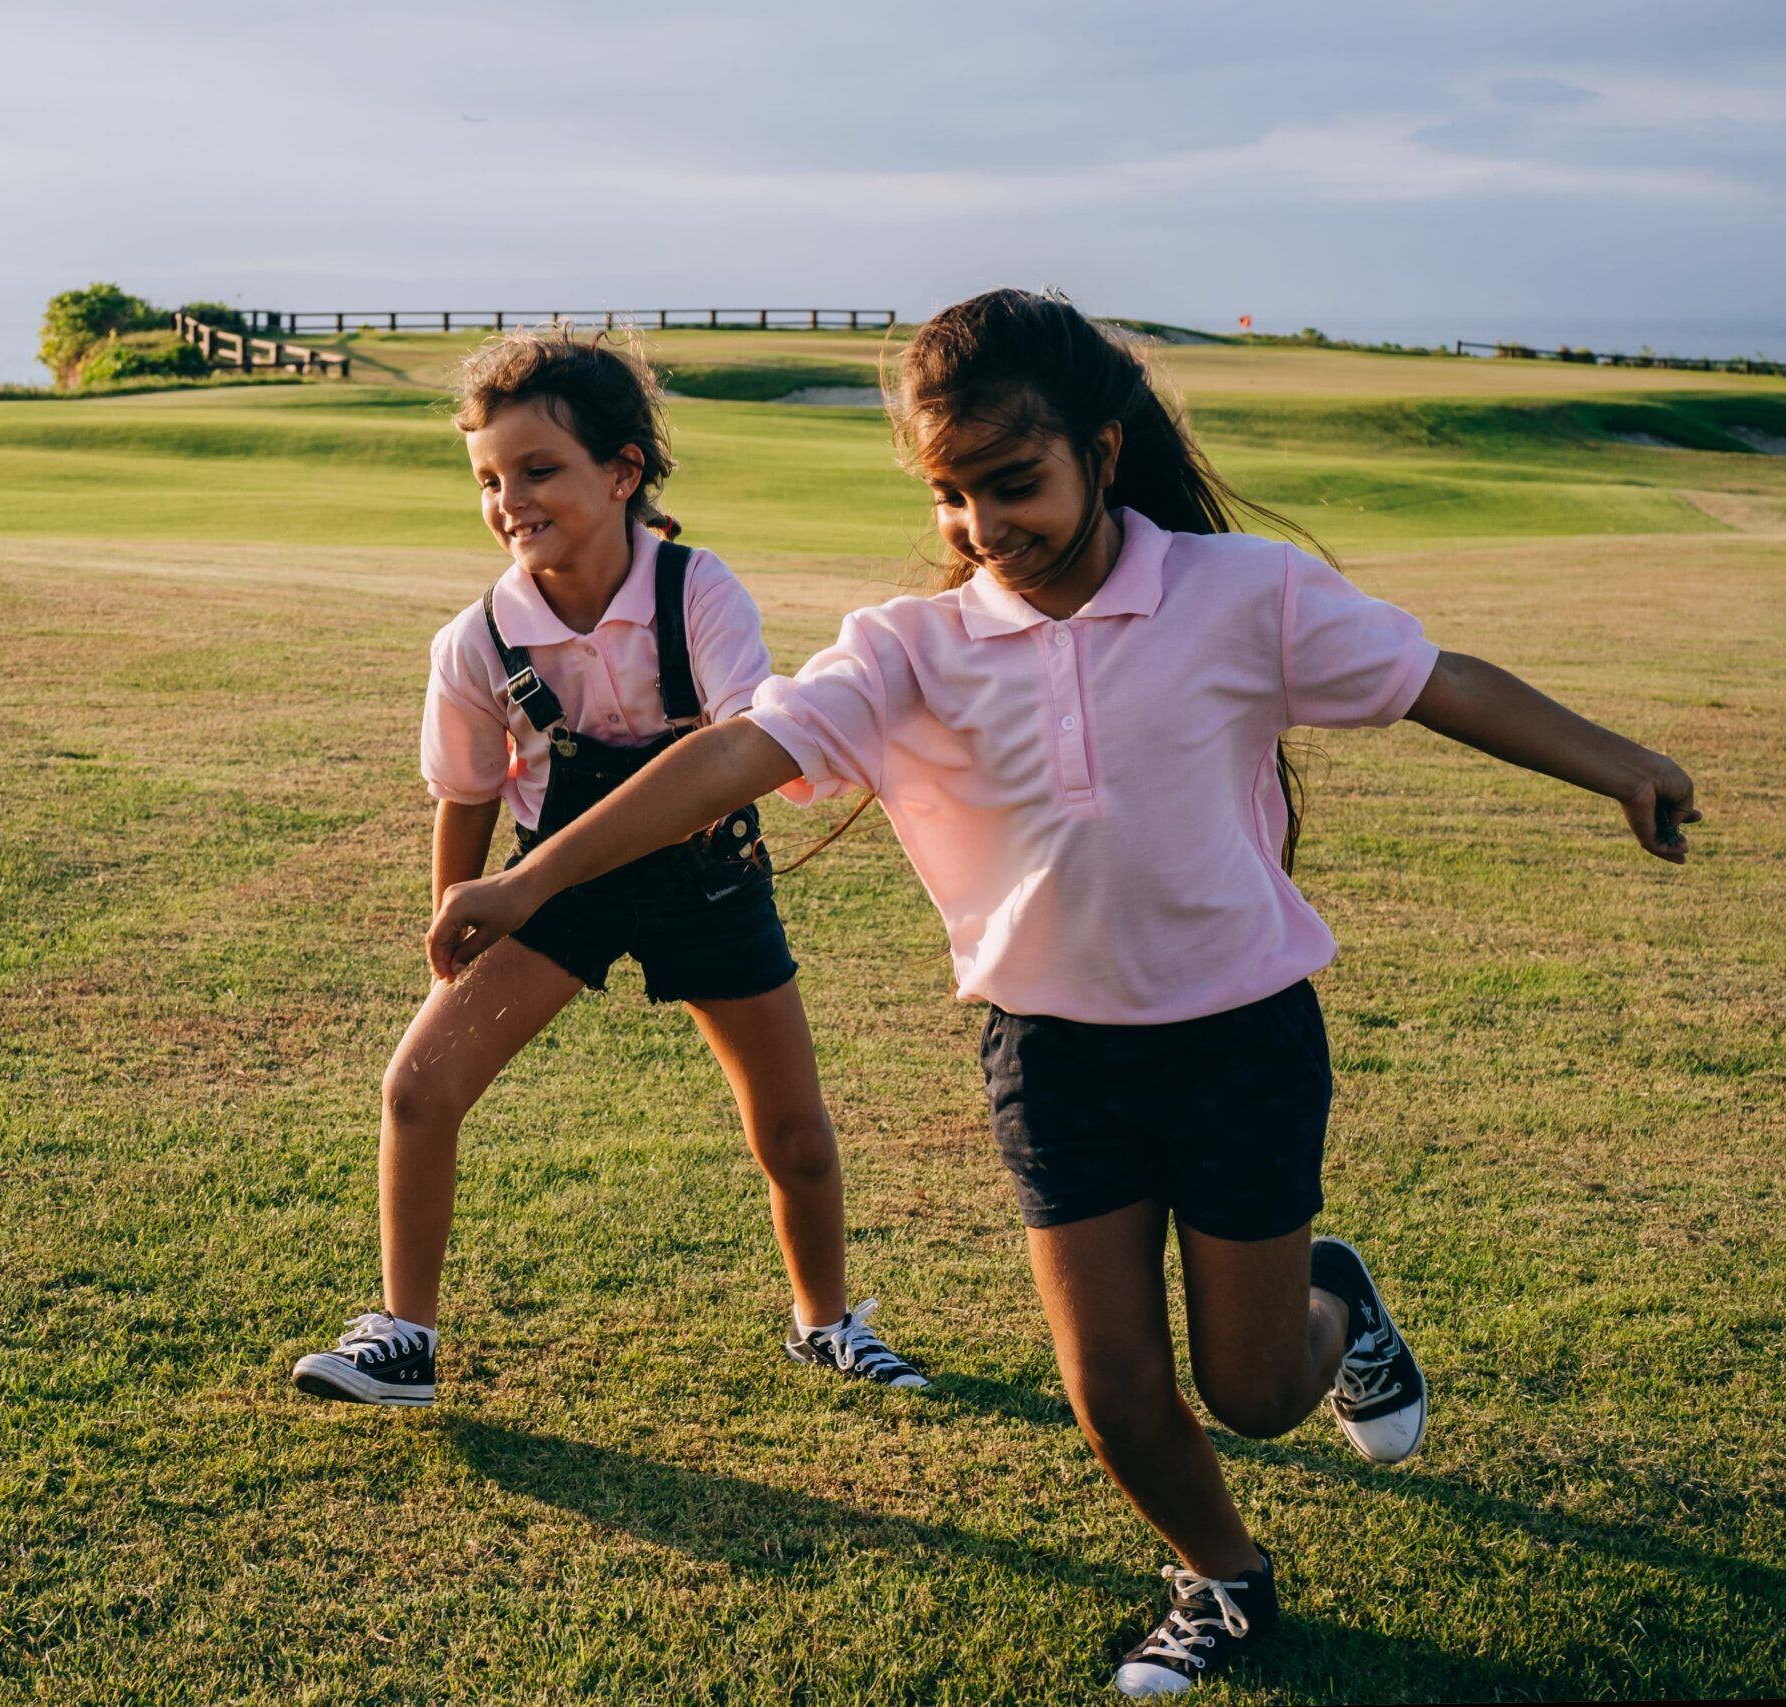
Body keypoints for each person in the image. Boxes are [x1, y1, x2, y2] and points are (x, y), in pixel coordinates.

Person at [423, 291, 1699, 1694]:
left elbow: (1431, 680)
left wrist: (1618, 762)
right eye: (951, 493)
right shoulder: (910, 648)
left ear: (1099, 447)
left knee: (1256, 1388)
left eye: (1013, 482)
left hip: (1243, 1036)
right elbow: (733, 755)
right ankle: (1224, 1578)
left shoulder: (1241, 591)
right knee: (1112, 1391)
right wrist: (535, 879)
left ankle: (1331, 1302)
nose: (983, 524)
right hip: (1052, 1052)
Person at [290, 328, 926, 1409]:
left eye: (540, 470)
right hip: (552, 890)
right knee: (417, 1087)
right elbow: (470, 792)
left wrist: (528, 880)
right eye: (489, 479)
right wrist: (455, 922)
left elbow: (738, 754)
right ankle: (404, 1334)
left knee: (794, 1135)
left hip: (709, 881)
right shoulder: (478, 640)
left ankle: (824, 1322)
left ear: (623, 472)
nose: (509, 501)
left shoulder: (697, 590)